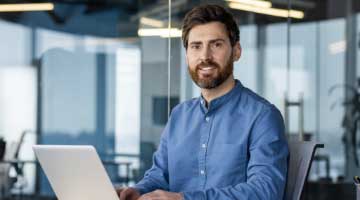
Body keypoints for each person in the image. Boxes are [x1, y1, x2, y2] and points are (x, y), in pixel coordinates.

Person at [117, 4, 289, 200]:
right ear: (187, 55)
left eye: (216, 44)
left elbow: (264, 192)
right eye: (196, 46)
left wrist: (183, 199)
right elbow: (159, 176)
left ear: (236, 51)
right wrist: (137, 191)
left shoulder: (262, 116)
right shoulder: (179, 115)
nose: (205, 56)